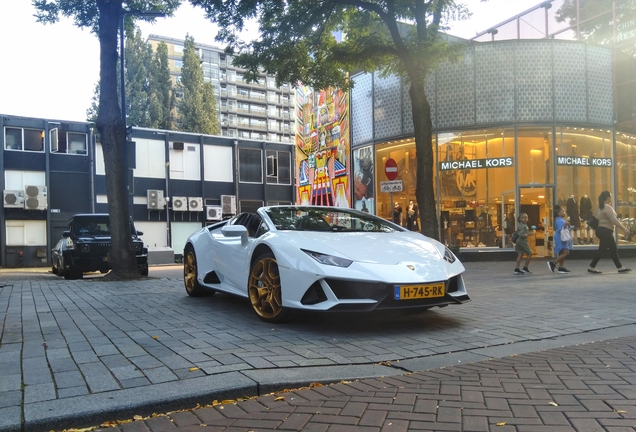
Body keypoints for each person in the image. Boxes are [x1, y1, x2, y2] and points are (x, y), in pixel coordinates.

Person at [588, 191, 631, 274]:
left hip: (600, 230)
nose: (611, 198)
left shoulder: (599, 207)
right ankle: (619, 267)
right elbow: (613, 220)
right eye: (610, 196)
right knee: (610, 249)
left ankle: (592, 267)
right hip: (605, 231)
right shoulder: (607, 207)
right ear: (607, 198)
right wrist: (624, 228)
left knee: (606, 249)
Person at [548, 205, 572, 274]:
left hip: (562, 237)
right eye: (563, 211)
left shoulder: (561, 220)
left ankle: (561, 267)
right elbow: (560, 229)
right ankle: (553, 263)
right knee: (565, 252)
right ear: (558, 213)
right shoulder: (559, 220)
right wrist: (565, 225)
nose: (564, 212)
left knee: (562, 253)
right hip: (561, 238)